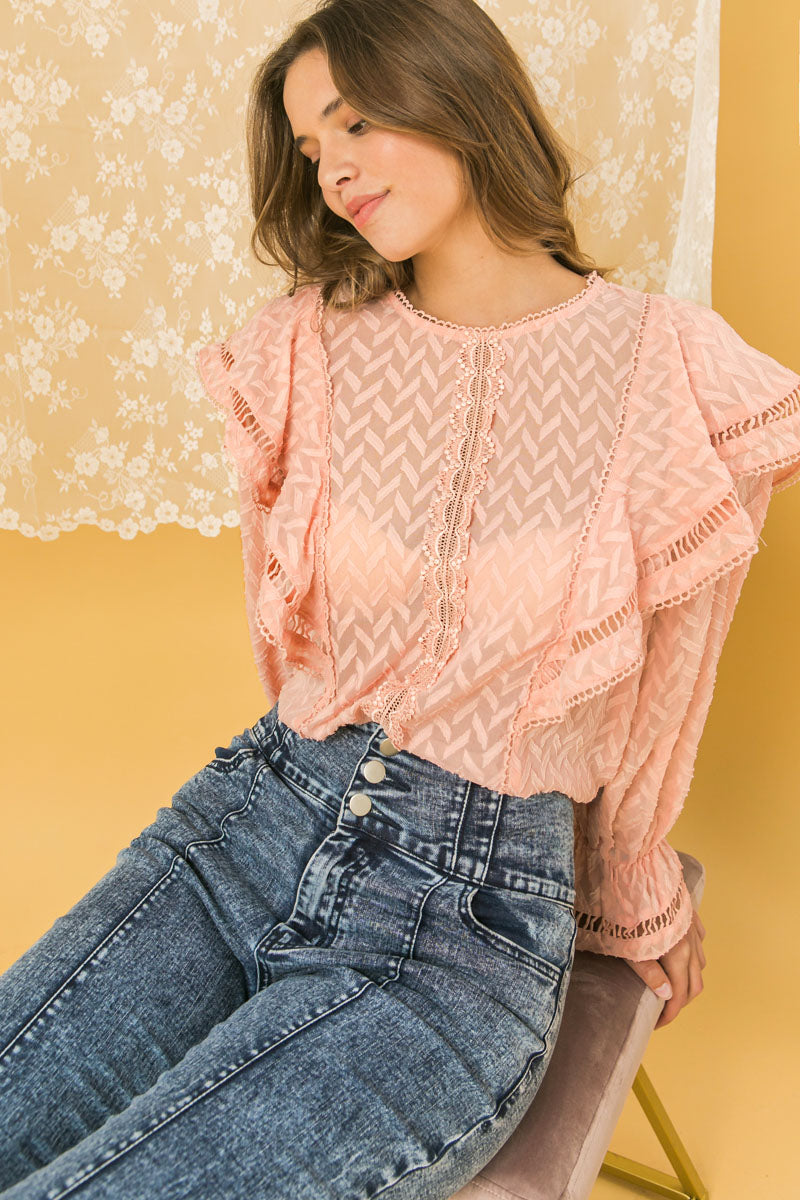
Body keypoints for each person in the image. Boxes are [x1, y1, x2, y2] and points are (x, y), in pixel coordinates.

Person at [2, 1, 798, 1196]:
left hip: (460, 935)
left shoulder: (672, 371)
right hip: (248, 821)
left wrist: (630, 894)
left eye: (356, 121)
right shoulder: (305, 349)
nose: (332, 170)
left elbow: (673, 675)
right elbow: (288, 643)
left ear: (456, 93)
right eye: (310, 148)